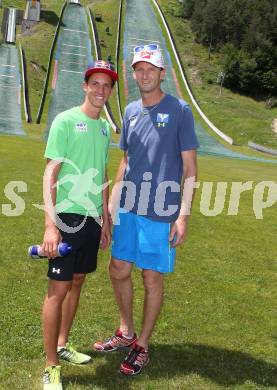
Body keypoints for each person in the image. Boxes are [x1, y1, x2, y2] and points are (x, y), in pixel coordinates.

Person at [93, 44, 199, 375]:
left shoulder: (180, 110)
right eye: (139, 69)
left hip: (160, 213)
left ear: (162, 73)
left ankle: (143, 344)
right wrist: (109, 212)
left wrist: (182, 215)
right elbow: (125, 161)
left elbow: (190, 169)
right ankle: (126, 332)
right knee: (118, 270)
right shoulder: (131, 111)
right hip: (127, 209)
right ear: (134, 73)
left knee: (151, 277)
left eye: (151, 69)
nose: (144, 74)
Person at [41, 60, 118, 390]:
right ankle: (50, 366)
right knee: (57, 291)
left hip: (91, 221)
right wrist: (50, 225)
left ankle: (62, 344)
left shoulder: (104, 129)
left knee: (77, 283)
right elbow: (50, 174)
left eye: (107, 85)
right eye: (95, 84)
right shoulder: (66, 121)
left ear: (110, 91)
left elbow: (101, 177)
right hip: (66, 219)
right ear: (85, 86)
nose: (101, 90)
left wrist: (105, 219)